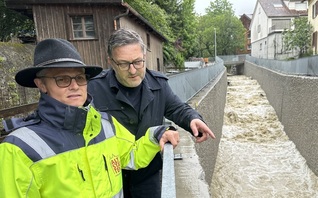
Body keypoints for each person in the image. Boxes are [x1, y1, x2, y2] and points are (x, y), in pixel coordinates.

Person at [0, 38, 179, 197]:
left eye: (80, 77)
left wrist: (157, 135)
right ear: (41, 84)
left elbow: (132, 154)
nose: (75, 86)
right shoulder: (19, 148)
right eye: (62, 79)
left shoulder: (105, 124)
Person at [88, 28, 216, 197]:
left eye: (138, 62)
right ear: (111, 62)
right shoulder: (93, 89)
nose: (133, 70)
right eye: (124, 64)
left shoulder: (158, 84)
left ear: (144, 57)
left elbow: (177, 108)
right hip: (110, 177)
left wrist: (193, 118)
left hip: (148, 175)